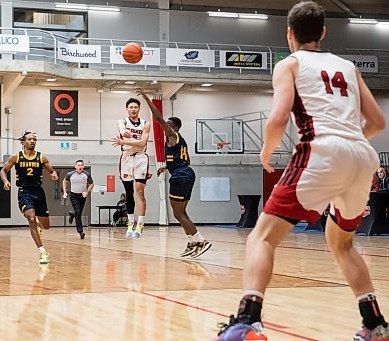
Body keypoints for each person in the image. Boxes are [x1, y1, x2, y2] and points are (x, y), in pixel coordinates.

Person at [215, 2, 387, 341]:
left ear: (289, 33)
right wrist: (349, 142)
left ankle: (247, 322)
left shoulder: (289, 64)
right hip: (362, 156)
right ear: (322, 32)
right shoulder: (349, 67)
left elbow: (278, 118)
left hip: (319, 151)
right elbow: (378, 122)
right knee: (342, 243)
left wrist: (266, 152)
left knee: (261, 237)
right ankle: (375, 325)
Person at [136, 88, 212, 258]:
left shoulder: (172, 135)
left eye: (169, 125)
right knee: (181, 213)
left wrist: (146, 98)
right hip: (186, 172)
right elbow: (187, 160)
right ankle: (192, 242)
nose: (166, 127)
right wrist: (168, 167)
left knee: (178, 214)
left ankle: (201, 241)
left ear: (175, 127)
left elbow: (158, 118)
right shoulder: (180, 141)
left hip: (180, 176)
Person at [0, 131, 58, 264]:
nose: (32, 141)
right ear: (24, 142)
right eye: (29, 139)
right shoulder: (16, 157)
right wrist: (5, 181)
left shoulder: (42, 158)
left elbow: (52, 171)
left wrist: (54, 175)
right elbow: (3, 170)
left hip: (39, 193)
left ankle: (39, 226)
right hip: (24, 192)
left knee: (46, 226)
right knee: (31, 218)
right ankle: (43, 252)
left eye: (34, 139)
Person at [111, 97, 151, 238]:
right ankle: (130, 222)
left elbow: (142, 143)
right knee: (128, 192)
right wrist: (124, 134)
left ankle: (140, 223)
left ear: (139, 109)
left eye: (136, 107)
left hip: (140, 157)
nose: (133, 109)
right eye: (131, 107)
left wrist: (125, 141)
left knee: (139, 191)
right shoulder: (122, 121)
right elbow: (122, 128)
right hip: (126, 157)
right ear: (127, 109)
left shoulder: (146, 124)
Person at [62, 160, 94, 239]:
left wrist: (87, 192)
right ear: (75, 167)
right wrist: (65, 192)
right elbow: (64, 181)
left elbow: (91, 184)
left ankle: (72, 214)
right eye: (78, 165)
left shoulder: (86, 174)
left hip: (82, 195)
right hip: (74, 195)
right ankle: (80, 231)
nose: (79, 167)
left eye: (81, 165)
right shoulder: (70, 174)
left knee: (78, 212)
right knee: (78, 212)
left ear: (83, 167)